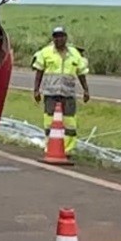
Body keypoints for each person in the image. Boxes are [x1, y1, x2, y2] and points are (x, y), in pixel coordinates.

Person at [31, 26, 90, 155]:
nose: (59, 39)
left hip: (68, 94)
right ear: (53, 38)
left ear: (66, 38)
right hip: (51, 94)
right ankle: (50, 147)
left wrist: (86, 90)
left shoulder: (74, 54)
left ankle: (67, 149)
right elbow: (39, 72)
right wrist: (36, 90)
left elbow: (81, 73)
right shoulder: (45, 53)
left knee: (69, 123)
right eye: (56, 36)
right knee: (49, 122)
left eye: (61, 36)